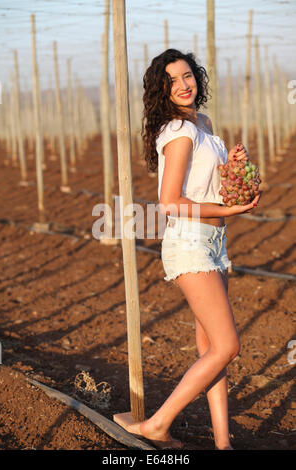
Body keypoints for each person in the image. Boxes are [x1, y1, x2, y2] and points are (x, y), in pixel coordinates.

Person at [129, 49, 262, 450]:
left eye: (187, 76)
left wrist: (233, 166)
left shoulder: (201, 124)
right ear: (161, 91)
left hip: (214, 242)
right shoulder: (180, 132)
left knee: (211, 350)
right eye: (172, 81)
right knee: (227, 346)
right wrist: (228, 208)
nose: (183, 85)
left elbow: (207, 185)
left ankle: (223, 444)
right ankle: (157, 424)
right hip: (190, 243)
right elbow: (169, 202)